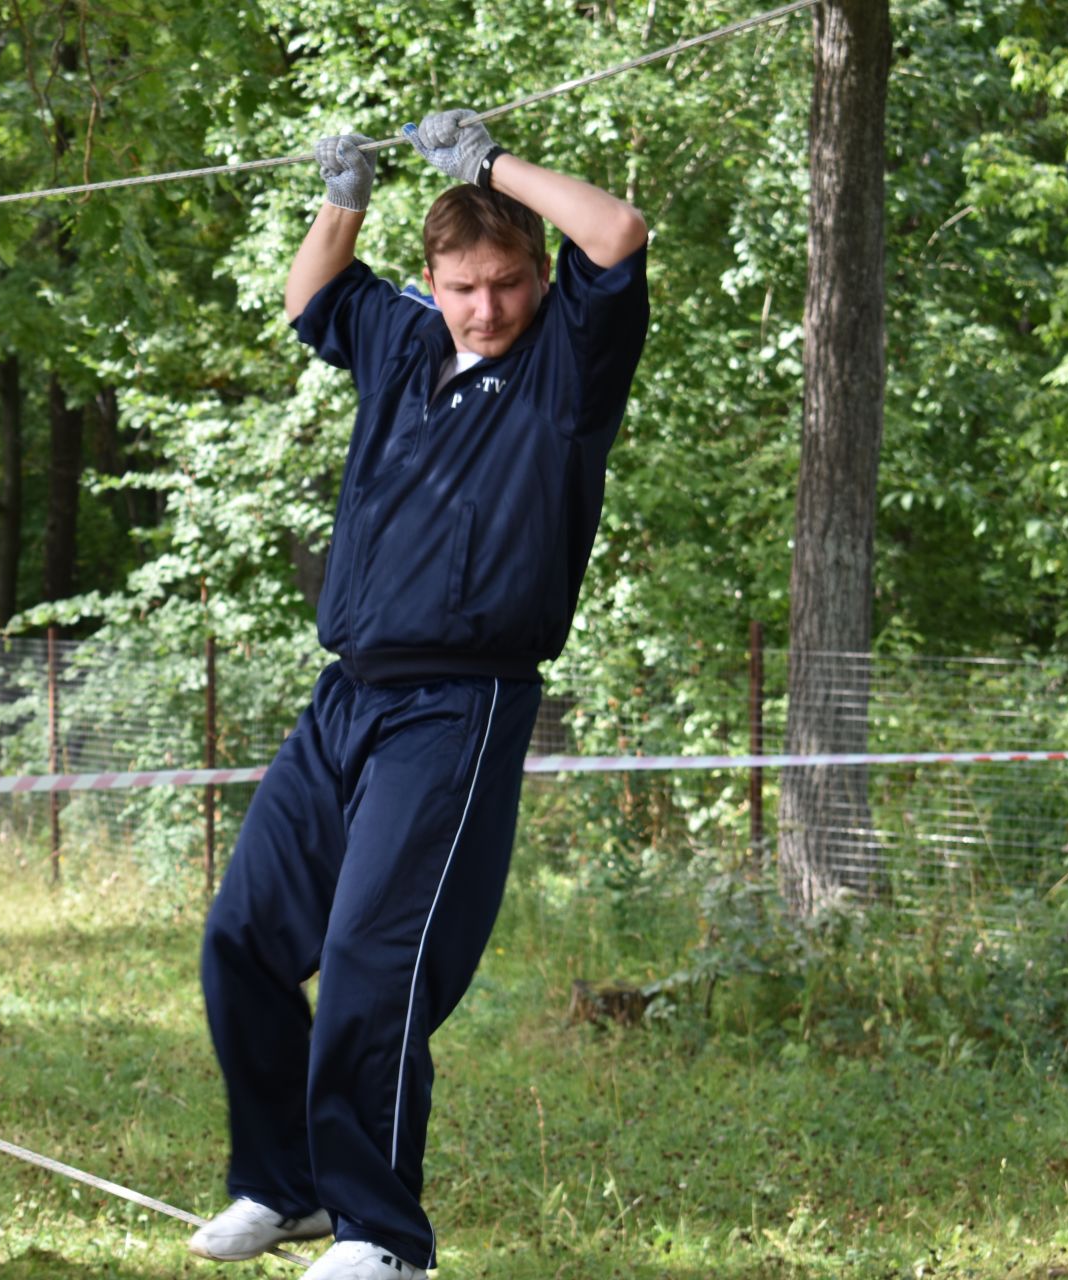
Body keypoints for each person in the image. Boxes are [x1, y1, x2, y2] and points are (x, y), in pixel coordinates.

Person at [188, 108, 650, 1280]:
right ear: (431, 281)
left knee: (370, 961)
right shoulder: (402, 344)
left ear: (536, 279)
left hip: (463, 701)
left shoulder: (568, 364)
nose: (483, 308)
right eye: (460, 286)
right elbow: (310, 298)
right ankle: (282, 1189)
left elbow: (618, 228)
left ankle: (382, 1233)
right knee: (243, 937)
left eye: (503, 283)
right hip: (346, 695)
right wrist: (344, 194)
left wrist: (492, 164)